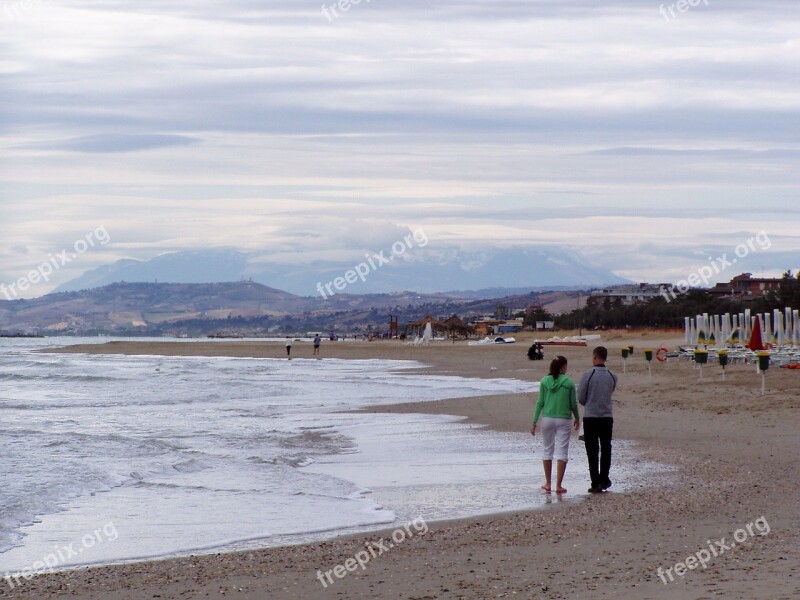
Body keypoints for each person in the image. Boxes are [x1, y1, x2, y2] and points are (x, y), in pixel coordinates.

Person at [531, 356, 580, 494]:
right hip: (564, 419)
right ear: (563, 367)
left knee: (547, 449)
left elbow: (540, 402)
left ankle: (548, 483)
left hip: (547, 418)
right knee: (562, 451)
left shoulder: (544, 381)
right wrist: (577, 417)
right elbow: (573, 404)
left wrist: (534, 421)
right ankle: (558, 485)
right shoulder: (569, 383)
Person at [578, 346, 618, 493]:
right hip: (607, 417)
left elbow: (581, 397)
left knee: (592, 450)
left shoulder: (588, 374)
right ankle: (604, 478)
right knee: (606, 448)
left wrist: (590, 402)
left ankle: (595, 482)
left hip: (591, 417)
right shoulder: (612, 376)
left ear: (595, 356)